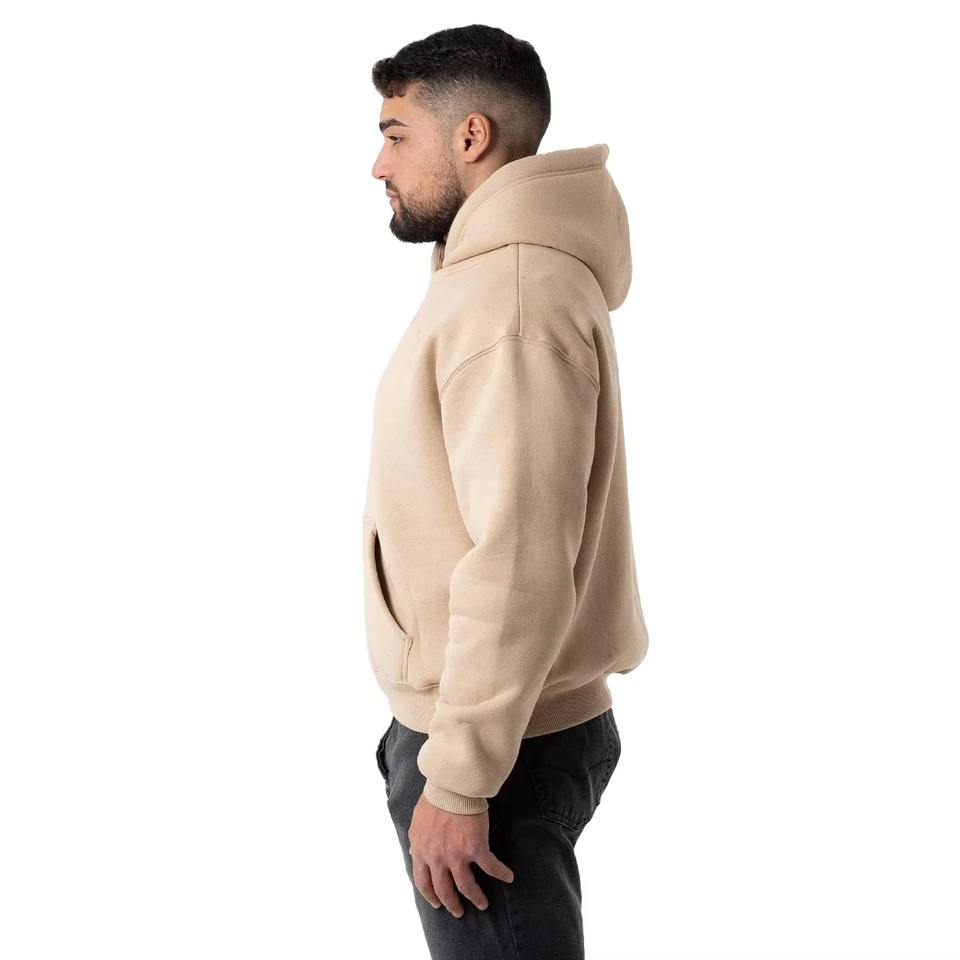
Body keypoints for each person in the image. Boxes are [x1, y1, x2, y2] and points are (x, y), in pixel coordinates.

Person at [363, 24, 650, 960]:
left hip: (497, 749)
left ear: (472, 136)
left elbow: (521, 555)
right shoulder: (492, 277)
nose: (378, 165)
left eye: (396, 134)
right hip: (490, 731)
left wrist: (456, 779)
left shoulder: (513, 296)